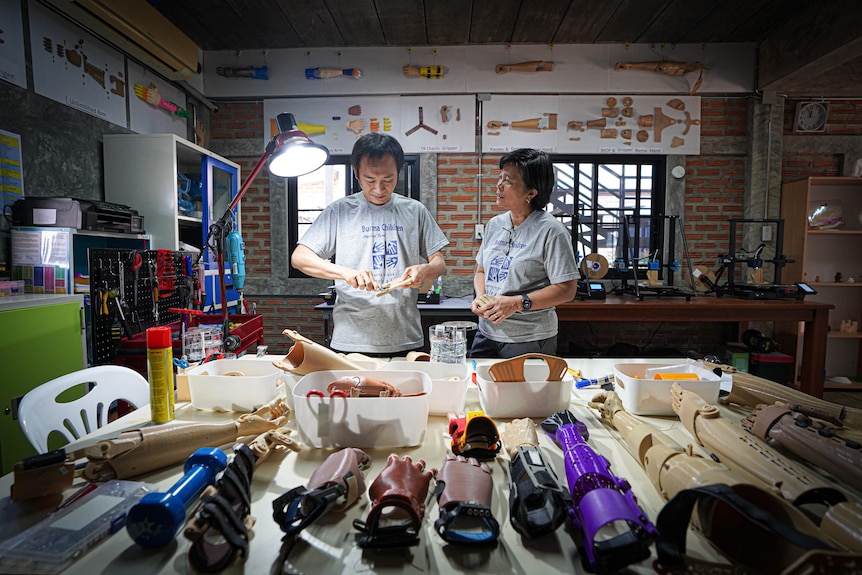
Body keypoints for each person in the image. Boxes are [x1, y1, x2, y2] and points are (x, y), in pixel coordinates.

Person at [291, 133, 448, 355]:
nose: (378, 189)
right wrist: (345, 273)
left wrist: (425, 269)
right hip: (351, 340)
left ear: (398, 173)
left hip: (406, 338)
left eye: (387, 179)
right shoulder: (340, 211)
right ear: (356, 173)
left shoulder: (415, 211)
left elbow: (440, 264)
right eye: (369, 180)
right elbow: (299, 258)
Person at [470, 148, 578, 358]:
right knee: (480, 389)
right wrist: (482, 298)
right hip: (486, 332)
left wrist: (516, 303)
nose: (498, 185)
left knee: (524, 391)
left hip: (529, 338)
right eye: (500, 177)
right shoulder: (494, 224)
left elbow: (567, 289)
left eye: (508, 181)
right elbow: (481, 270)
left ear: (531, 193)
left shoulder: (551, 231)